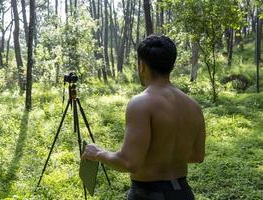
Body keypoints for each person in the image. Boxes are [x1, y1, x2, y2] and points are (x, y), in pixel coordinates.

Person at [81, 35, 206, 200]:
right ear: (171, 65)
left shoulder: (141, 103)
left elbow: (129, 163)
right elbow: (198, 156)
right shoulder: (194, 106)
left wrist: (98, 153)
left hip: (148, 194)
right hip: (183, 193)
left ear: (142, 65)